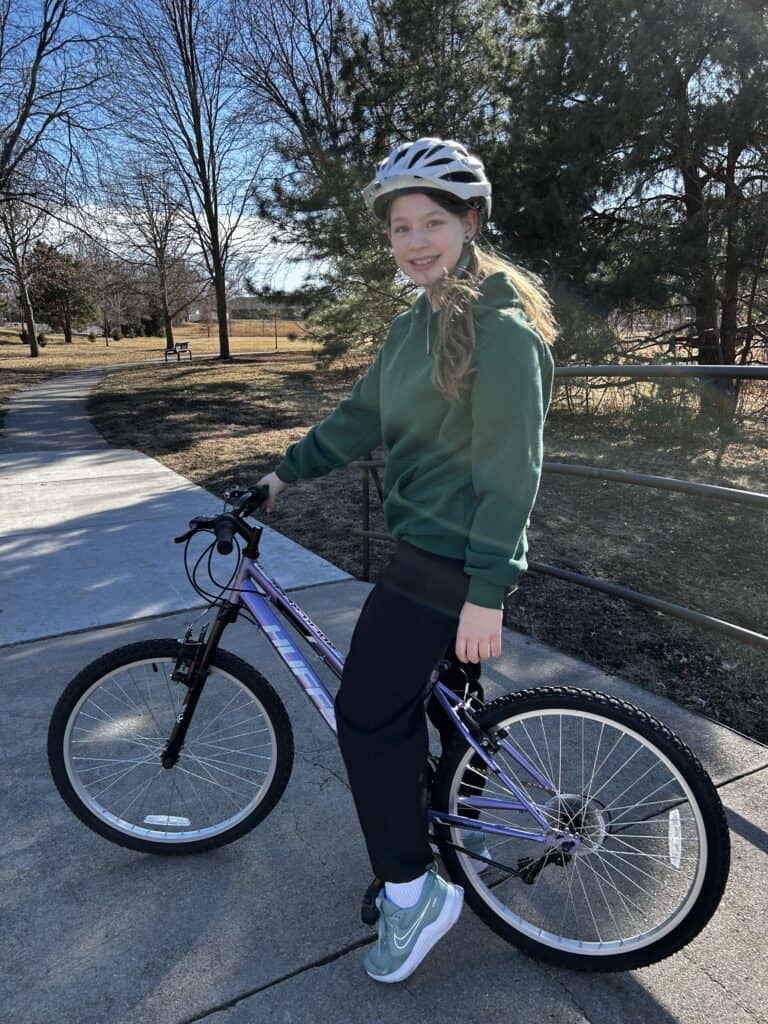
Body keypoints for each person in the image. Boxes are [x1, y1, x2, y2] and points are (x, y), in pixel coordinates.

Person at [257, 136, 557, 983]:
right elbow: (358, 421)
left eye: (432, 221)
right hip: (427, 548)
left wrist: (488, 592)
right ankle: (460, 821)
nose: (415, 241)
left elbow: (512, 471)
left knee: (365, 713)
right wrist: (283, 473)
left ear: (470, 222)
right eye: (399, 227)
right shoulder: (413, 325)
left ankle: (411, 891)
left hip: (451, 560)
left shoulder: (501, 330)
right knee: (432, 704)